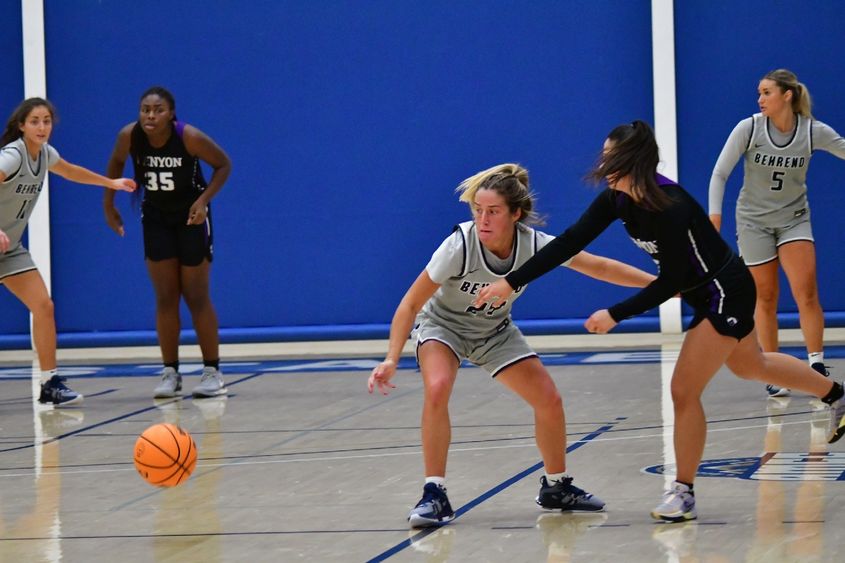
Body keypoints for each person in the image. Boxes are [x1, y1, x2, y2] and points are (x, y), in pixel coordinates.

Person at [475, 121, 845, 523]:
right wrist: (510, 282)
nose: (602, 162)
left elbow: (670, 282)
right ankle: (836, 395)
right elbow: (568, 243)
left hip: (725, 291)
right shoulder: (617, 199)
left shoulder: (671, 206)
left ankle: (682, 493)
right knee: (751, 365)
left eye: (610, 155)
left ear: (631, 160)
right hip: (709, 291)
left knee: (683, 390)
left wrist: (615, 313)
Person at [367, 163, 658, 528]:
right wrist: (391, 357)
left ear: (515, 214)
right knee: (438, 388)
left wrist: (659, 284)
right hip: (444, 327)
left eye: (493, 211)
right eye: (478, 211)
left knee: (549, 399)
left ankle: (555, 487)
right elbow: (410, 303)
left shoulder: (534, 244)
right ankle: (434, 493)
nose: (483, 219)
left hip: (494, 330)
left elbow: (597, 266)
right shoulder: (459, 245)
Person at [708, 69, 845, 398]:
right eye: (759, 93)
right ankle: (774, 369)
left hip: (794, 218)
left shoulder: (813, 132)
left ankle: (815, 363)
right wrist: (714, 217)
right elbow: (719, 173)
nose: (760, 99)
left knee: (806, 292)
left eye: (766, 92)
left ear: (787, 95)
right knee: (765, 296)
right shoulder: (750, 128)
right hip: (753, 221)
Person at [0, 97, 136, 406]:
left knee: (44, 306)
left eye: (46, 120)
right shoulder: (12, 156)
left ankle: (49, 383)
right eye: (35, 121)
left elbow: (71, 171)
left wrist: (111, 183)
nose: (42, 126)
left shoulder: (45, 155)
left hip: (10, 250)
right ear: (22, 126)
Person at [104, 86, 231, 399]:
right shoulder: (129, 136)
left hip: (191, 217)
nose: (150, 115)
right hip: (157, 218)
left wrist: (203, 202)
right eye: (145, 109)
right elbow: (116, 163)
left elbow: (223, 165)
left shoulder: (189, 136)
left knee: (196, 295)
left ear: (170, 113)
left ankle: (212, 371)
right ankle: (170, 372)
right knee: (165, 296)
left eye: (157, 109)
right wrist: (109, 204)